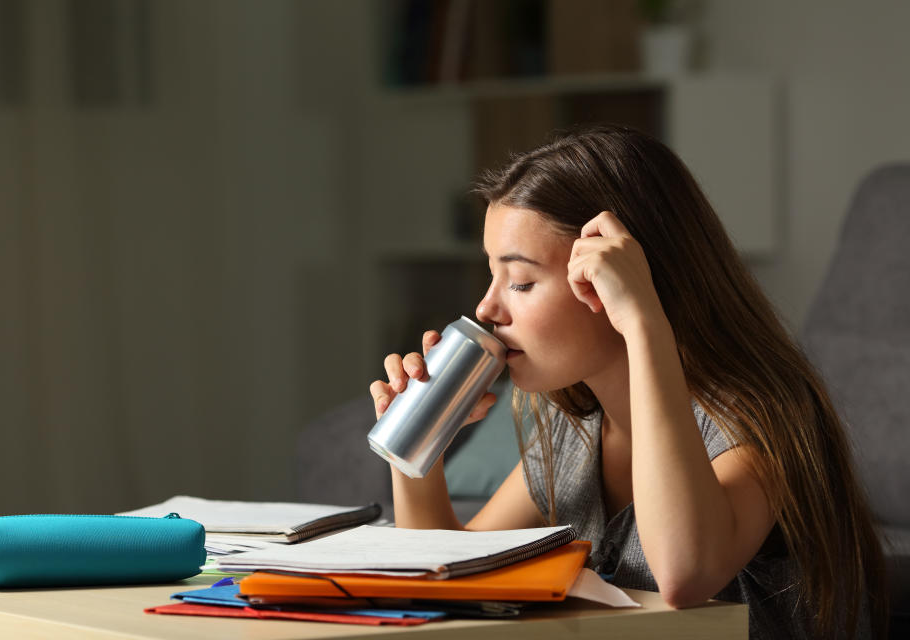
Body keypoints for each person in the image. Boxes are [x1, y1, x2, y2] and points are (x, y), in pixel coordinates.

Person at [368, 125, 887, 639]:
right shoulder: (575, 430)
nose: (486, 307)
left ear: (620, 281)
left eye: (521, 281)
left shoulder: (763, 419)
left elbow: (684, 574)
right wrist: (420, 447)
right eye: (492, 275)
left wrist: (644, 322)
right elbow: (447, 571)